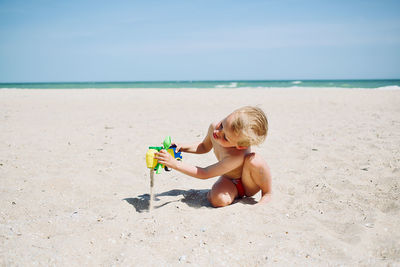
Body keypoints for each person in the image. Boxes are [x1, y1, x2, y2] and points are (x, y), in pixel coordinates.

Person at [155, 106, 272, 207]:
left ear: (240, 146)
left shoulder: (236, 157)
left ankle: (267, 193)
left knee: (254, 160)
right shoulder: (214, 128)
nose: (218, 132)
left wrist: (175, 164)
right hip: (229, 180)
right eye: (222, 125)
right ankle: (230, 194)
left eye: (225, 137)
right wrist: (182, 147)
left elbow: (205, 173)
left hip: (248, 183)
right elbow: (203, 147)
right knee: (218, 200)